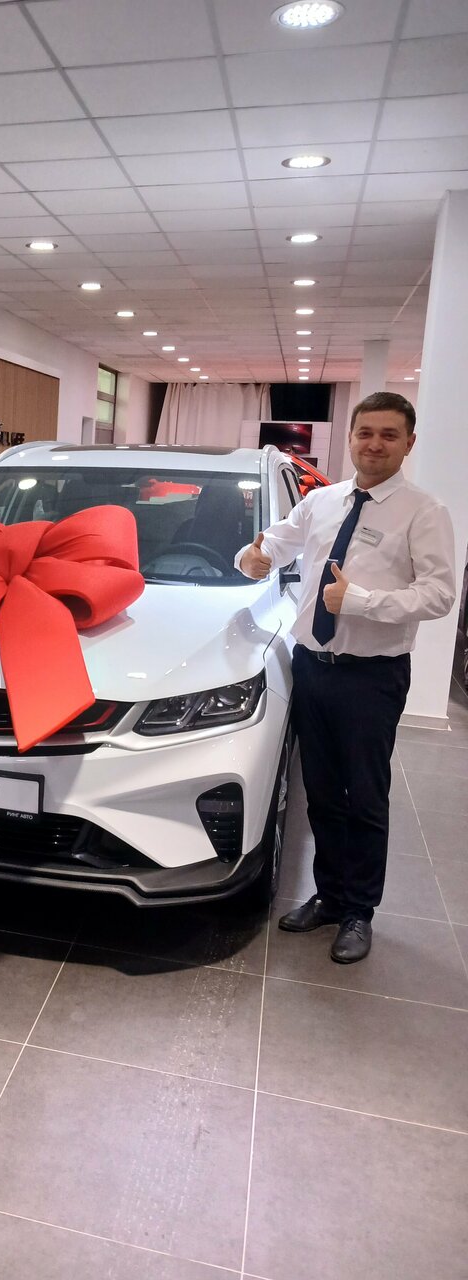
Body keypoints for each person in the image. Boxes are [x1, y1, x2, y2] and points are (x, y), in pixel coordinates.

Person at [237, 391, 455, 963]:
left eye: (389, 435)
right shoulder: (322, 501)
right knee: (323, 794)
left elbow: (439, 594)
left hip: (372, 678)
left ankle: (360, 910)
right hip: (313, 668)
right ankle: (330, 897)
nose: (375, 444)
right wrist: (252, 558)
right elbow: (276, 541)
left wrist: (358, 601)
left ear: (409, 443)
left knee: (365, 797)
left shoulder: (424, 512)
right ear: (352, 438)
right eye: (366, 433)